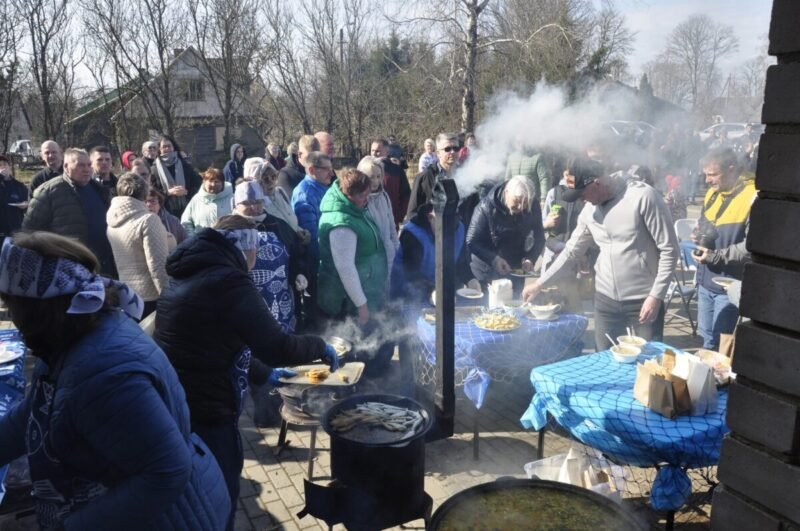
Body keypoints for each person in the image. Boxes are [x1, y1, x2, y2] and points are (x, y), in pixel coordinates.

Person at [0, 231, 230, 530]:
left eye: (11, 306)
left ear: (35, 311)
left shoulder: (102, 376)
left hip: (171, 519)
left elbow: (167, 472)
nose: (11, 316)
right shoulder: (73, 333)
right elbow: (36, 410)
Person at [154, 215, 338, 529]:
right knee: (220, 493)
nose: (257, 257)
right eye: (256, 250)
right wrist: (320, 346)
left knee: (204, 489)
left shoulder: (195, 269)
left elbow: (215, 339)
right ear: (245, 249)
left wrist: (262, 373)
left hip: (181, 398)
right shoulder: (228, 280)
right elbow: (278, 346)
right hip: (208, 406)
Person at [523, 159, 678, 350]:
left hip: (643, 300)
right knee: (603, 358)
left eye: (582, 193)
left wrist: (656, 295)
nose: (581, 199)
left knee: (647, 360)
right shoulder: (589, 211)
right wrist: (540, 283)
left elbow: (669, 249)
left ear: (596, 183)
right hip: (605, 301)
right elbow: (571, 252)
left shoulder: (643, 197)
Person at [318, 168, 391, 371]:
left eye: (368, 193)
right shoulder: (341, 223)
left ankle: (363, 375)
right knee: (348, 345)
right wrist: (361, 304)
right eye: (362, 196)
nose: (367, 199)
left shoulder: (355, 209)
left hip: (366, 288)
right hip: (345, 299)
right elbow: (345, 268)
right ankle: (349, 381)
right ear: (348, 195)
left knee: (365, 344)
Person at [692, 147, 756, 350]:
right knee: (706, 341)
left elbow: (751, 247)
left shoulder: (752, 196)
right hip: (705, 282)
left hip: (729, 286)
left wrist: (715, 256)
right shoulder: (712, 193)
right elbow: (704, 222)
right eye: (705, 175)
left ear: (731, 169)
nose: (707, 181)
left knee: (722, 347)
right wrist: (698, 233)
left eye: (712, 174)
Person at [23, 148, 117, 277]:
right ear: (66, 166)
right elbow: (29, 233)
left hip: (103, 265)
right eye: (80, 165)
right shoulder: (48, 191)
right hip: (67, 267)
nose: (87, 169)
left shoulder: (99, 189)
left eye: (89, 165)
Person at [233, 181, 306, 332]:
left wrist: (299, 273)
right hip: (243, 297)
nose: (253, 207)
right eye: (247, 203)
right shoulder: (227, 228)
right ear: (236, 204)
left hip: (278, 298)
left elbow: (296, 253)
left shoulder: (277, 224)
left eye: (258, 202)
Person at [467, 175, 545, 295]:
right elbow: (472, 241)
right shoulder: (486, 206)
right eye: (517, 201)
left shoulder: (532, 205)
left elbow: (539, 237)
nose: (520, 207)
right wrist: (494, 259)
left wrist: (531, 258)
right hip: (486, 271)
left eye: (525, 203)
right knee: (490, 304)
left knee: (514, 303)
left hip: (515, 270)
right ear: (506, 193)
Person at [106, 172, 170, 318]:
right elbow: (158, 265)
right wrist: (168, 296)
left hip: (127, 294)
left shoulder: (112, 220)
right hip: (151, 295)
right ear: (144, 193)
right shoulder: (148, 220)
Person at [391, 201, 471, 305]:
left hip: (439, 293)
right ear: (430, 217)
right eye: (442, 228)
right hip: (407, 296)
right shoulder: (412, 235)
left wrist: (470, 279)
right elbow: (411, 274)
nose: (445, 235)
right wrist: (432, 291)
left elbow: (460, 261)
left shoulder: (459, 228)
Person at [540, 157, 589, 314]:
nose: (569, 179)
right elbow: (541, 224)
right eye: (567, 174)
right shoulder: (554, 193)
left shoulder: (585, 196)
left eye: (573, 176)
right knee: (549, 297)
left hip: (577, 253)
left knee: (573, 298)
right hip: (554, 249)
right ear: (563, 173)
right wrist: (547, 224)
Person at [292, 151, 333, 325]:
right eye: (326, 169)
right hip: (316, 267)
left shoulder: (325, 188)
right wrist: (327, 265)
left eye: (331, 168)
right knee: (318, 317)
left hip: (329, 264)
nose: (331, 173)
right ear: (311, 170)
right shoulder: (305, 195)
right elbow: (312, 239)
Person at [358, 156, 399, 285]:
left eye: (378, 176)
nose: (375, 181)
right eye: (371, 177)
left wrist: (396, 250)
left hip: (388, 254)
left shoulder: (384, 196)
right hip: (369, 260)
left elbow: (392, 227)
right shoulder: (359, 201)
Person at [407, 133, 460, 218]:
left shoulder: (465, 175)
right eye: (447, 149)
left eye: (456, 148)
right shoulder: (425, 177)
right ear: (438, 153)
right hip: (433, 225)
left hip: (459, 225)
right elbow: (412, 213)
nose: (452, 152)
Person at [151, 135, 201, 217]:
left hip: (188, 209)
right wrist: (168, 192)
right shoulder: (154, 169)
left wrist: (187, 192)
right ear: (159, 149)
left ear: (174, 147)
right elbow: (152, 190)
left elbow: (197, 184)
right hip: (165, 211)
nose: (167, 148)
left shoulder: (185, 165)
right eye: (164, 147)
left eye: (169, 146)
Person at [181, 167, 234, 236]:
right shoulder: (197, 199)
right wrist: (192, 237)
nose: (213, 184)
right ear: (204, 182)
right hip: (202, 241)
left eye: (216, 181)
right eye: (210, 181)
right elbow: (186, 222)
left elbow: (240, 220)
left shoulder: (232, 198)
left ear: (222, 183)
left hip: (228, 240)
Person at [371, 137, 411, 227]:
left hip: (391, 220)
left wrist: (399, 216)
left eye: (378, 151)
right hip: (370, 220)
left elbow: (406, 195)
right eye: (372, 151)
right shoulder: (365, 170)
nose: (374, 154)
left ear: (387, 152)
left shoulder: (396, 170)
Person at [504, 136, 551, 204]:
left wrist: (543, 199)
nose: (521, 144)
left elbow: (544, 179)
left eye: (523, 141)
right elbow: (507, 179)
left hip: (532, 201)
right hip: (514, 201)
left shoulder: (538, 157)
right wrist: (507, 196)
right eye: (518, 142)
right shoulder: (511, 158)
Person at [0, 156, 29, 239]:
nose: (2, 167)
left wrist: (26, 205)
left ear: (9, 166)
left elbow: (29, 203)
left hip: (16, 231)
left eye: (4, 164)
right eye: (0, 165)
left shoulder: (19, 185)